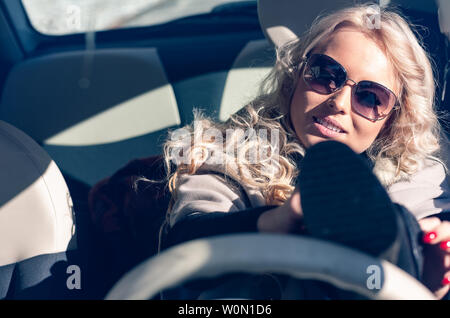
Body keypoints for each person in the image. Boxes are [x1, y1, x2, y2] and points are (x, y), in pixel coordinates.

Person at [159, 3, 450, 299]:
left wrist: (431, 283)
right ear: (296, 76)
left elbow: (426, 246)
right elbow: (186, 243)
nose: (338, 102)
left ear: (393, 119)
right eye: (325, 74)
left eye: (370, 97)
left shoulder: (417, 177)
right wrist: (277, 222)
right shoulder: (228, 152)